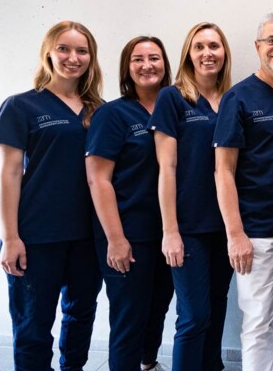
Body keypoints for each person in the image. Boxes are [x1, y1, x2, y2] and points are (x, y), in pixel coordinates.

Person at [0, 20, 104, 370]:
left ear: (91, 58)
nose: (73, 57)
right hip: (36, 236)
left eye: (82, 50)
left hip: (87, 236)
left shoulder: (99, 110)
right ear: (48, 53)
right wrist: (11, 237)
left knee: (80, 316)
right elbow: (9, 174)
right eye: (64, 49)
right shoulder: (21, 106)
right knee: (33, 326)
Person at [213, 12, 273, 371]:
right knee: (256, 316)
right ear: (258, 46)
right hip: (254, 231)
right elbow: (223, 170)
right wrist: (235, 233)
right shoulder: (237, 98)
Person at [148, 22, 235, 371]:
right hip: (188, 226)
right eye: (199, 47)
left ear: (224, 52)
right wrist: (170, 231)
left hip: (225, 224)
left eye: (214, 46)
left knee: (215, 308)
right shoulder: (173, 98)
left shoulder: (232, 98)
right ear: (188, 54)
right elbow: (165, 169)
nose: (207, 53)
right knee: (194, 315)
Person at [86, 36, 175, 371]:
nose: (147, 65)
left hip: (167, 232)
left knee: (157, 308)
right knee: (129, 315)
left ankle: (149, 364)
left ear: (165, 64)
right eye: (138, 59)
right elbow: (98, 179)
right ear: (127, 67)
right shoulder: (112, 114)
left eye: (154, 57)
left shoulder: (175, 108)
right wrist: (116, 239)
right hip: (127, 232)